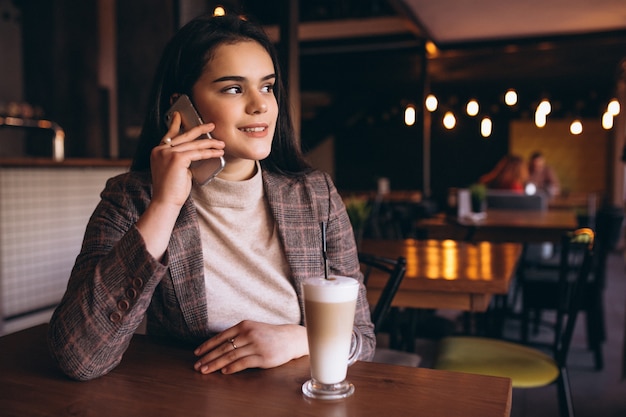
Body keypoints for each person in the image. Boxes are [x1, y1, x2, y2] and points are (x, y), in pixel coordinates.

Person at [47, 13, 375, 381]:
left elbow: (362, 337)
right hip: (192, 399)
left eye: (267, 87)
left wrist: (302, 340)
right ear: (182, 107)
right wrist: (164, 205)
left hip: (302, 398)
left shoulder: (315, 195)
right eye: (234, 89)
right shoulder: (131, 198)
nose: (260, 105)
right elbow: (79, 357)